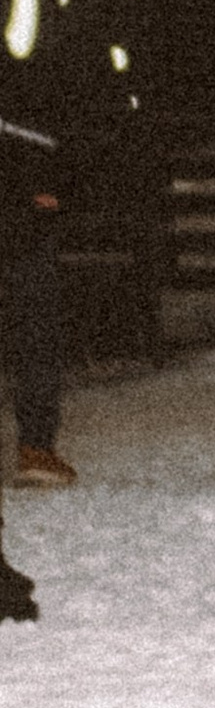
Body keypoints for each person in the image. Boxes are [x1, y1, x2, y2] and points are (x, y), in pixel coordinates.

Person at [0, 119, 71, 485]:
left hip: (21, 212)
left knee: (35, 331)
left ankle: (37, 449)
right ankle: (36, 449)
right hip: (22, 222)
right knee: (36, 331)